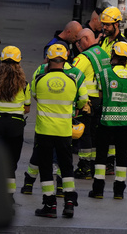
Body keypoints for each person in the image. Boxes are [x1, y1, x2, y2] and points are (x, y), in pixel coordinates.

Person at [20, 41, 86, 197]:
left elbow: (35, 95)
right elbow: (83, 99)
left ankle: (36, 191)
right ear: (66, 58)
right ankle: (68, 199)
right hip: (64, 128)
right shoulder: (75, 76)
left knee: (42, 162)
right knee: (66, 165)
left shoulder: (40, 75)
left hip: (44, 129)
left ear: (47, 59)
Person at [89, 42, 127, 200]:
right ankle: (119, 191)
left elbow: (101, 96)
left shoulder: (104, 73)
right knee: (122, 155)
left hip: (106, 121)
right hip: (126, 122)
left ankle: (98, 189)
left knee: (102, 155)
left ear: (114, 55)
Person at [0, 46, 31, 200]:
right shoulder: (24, 84)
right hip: (15, 126)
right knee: (11, 164)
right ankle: (9, 198)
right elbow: (27, 108)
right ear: (19, 62)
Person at [72, 28, 110, 179]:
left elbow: (72, 75)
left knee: (84, 134)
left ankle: (84, 166)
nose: (78, 45)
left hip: (86, 101)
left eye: (79, 42)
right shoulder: (102, 54)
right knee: (94, 134)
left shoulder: (84, 57)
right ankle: (93, 165)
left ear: (86, 39)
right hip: (100, 99)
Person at [99, 6, 127, 172]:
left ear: (117, 24)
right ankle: (107, 159)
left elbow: (125, 70)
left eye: (108, 25)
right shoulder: (105, 40)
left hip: (115, 89)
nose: (105, 27)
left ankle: (110, 161)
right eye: (104, 24)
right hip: (105, 86)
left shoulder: (122, 44)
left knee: (113, 127)